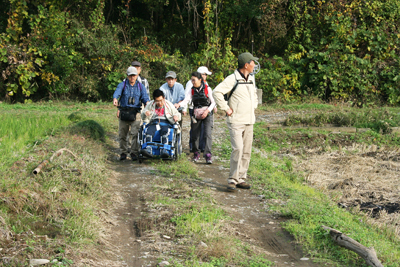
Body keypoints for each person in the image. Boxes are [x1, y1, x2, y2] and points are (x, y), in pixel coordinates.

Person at [212, 52, 259, 192]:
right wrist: (226, 108)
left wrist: (254, 105)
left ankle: (241, 178)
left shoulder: (252, 78)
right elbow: (217, 92)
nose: (255, 65)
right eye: (253, 63)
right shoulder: (232, 79)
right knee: (238, 149)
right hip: (236, 121)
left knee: (246, 151)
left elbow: (254, 95)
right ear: (246, 65)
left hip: (249, 120)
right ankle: (232, 179)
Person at [177, 71, 216, 163]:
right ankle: (196, 153)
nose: (193, 82)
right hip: (196, 113)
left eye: (194, 80)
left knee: (207, 134)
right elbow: (187, 100)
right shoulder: (192, 90)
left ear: (200, 80)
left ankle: (207, 155)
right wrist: (179, 105)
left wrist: (207, 111)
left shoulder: (207, 89)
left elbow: (213, 102)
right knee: (195, 135)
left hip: (207, 113)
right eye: (192, 80)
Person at [113, 66, 150, 161]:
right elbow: (117, 93)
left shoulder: (140, 86)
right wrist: (115, 99)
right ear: (127, 76)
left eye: (134, 75)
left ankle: (134, 152)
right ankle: (123, 152)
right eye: (130, 76)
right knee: (122, 134)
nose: (132, 77)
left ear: (137, 75)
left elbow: (145, 97)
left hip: (135, 113)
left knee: (135, 134)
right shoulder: (123, 85)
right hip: (124, 112)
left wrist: (147, 103)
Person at [184, 66, 217, 152]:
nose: (205, 76)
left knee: (206, 132)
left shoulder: (206, 85)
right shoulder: (190, 84)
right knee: (195, 132)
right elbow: (187, 98)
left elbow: (211, 99)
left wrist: (212, 108)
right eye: (204, 74)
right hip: (194, 110)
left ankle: (204, 149)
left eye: (206, 75)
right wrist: (183, 108)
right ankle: (194, 149)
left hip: (206, 110)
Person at [141, 89, 181, 158]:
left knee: (165, 132)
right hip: (154, 122)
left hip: (166, 122)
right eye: (157, 101)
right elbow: (143, 115)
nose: (159, 103)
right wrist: (145, 113)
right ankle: (148, 149)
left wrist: (175, 116)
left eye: (161, 100)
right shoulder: (150, 104)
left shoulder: (168, 104)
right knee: (148, 131)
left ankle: (164, 150)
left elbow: (177, 114)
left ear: (164, 98)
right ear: (154, 100)